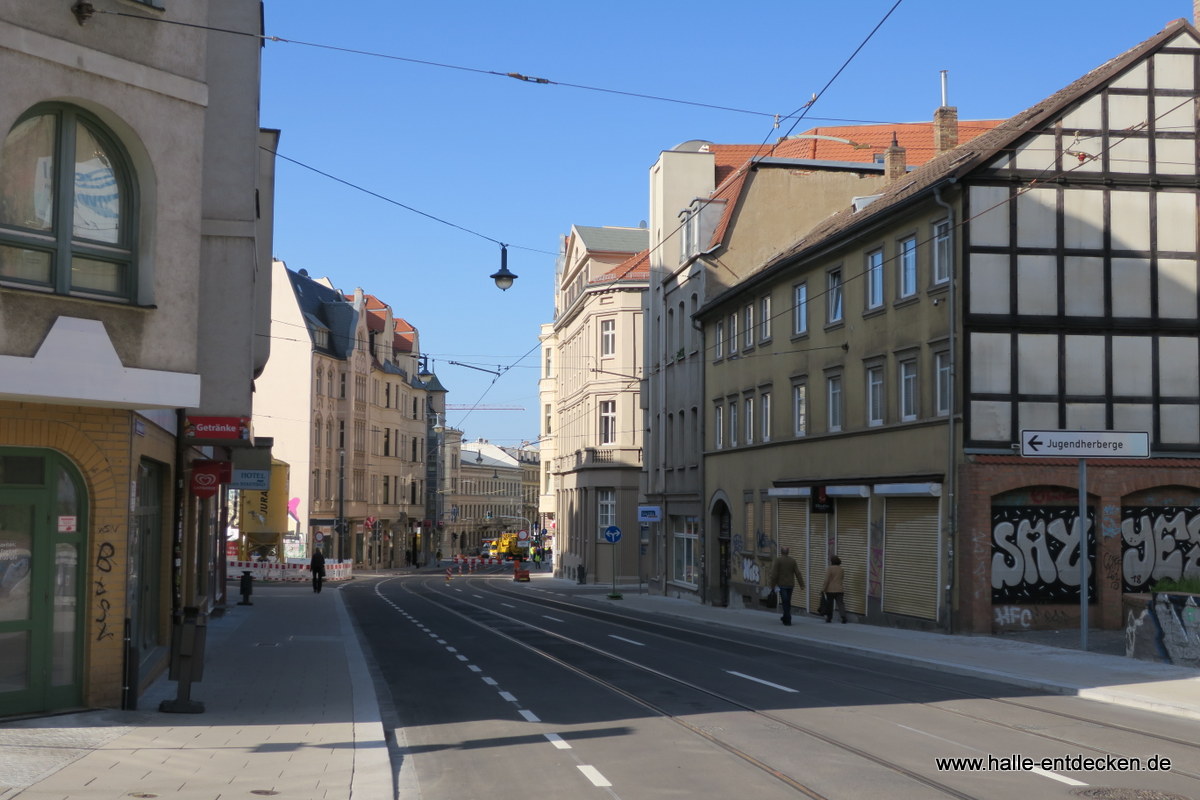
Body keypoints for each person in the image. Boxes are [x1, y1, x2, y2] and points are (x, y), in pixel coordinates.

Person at [767, 546, 804, 626]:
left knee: (785, 602)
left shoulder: (778, 561)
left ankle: (788, 619)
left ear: (781, 552)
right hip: (790, 585)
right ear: (788, 552)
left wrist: (772, 584)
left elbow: (774, 574)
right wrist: (801, 584)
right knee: (788, 601)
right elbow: (798, 573)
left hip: (782, 585)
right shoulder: (792, 561)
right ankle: (785, 617)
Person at [821, 554, 848, 623]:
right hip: (840, 589)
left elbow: (826, 580)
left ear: (832, 561)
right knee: (841, 604)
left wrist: (823, 589)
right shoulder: (841, 569)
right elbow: (842, 578)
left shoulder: (829, 569)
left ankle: (829, 618)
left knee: (830, 604)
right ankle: (843, 617)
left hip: (830, 590)